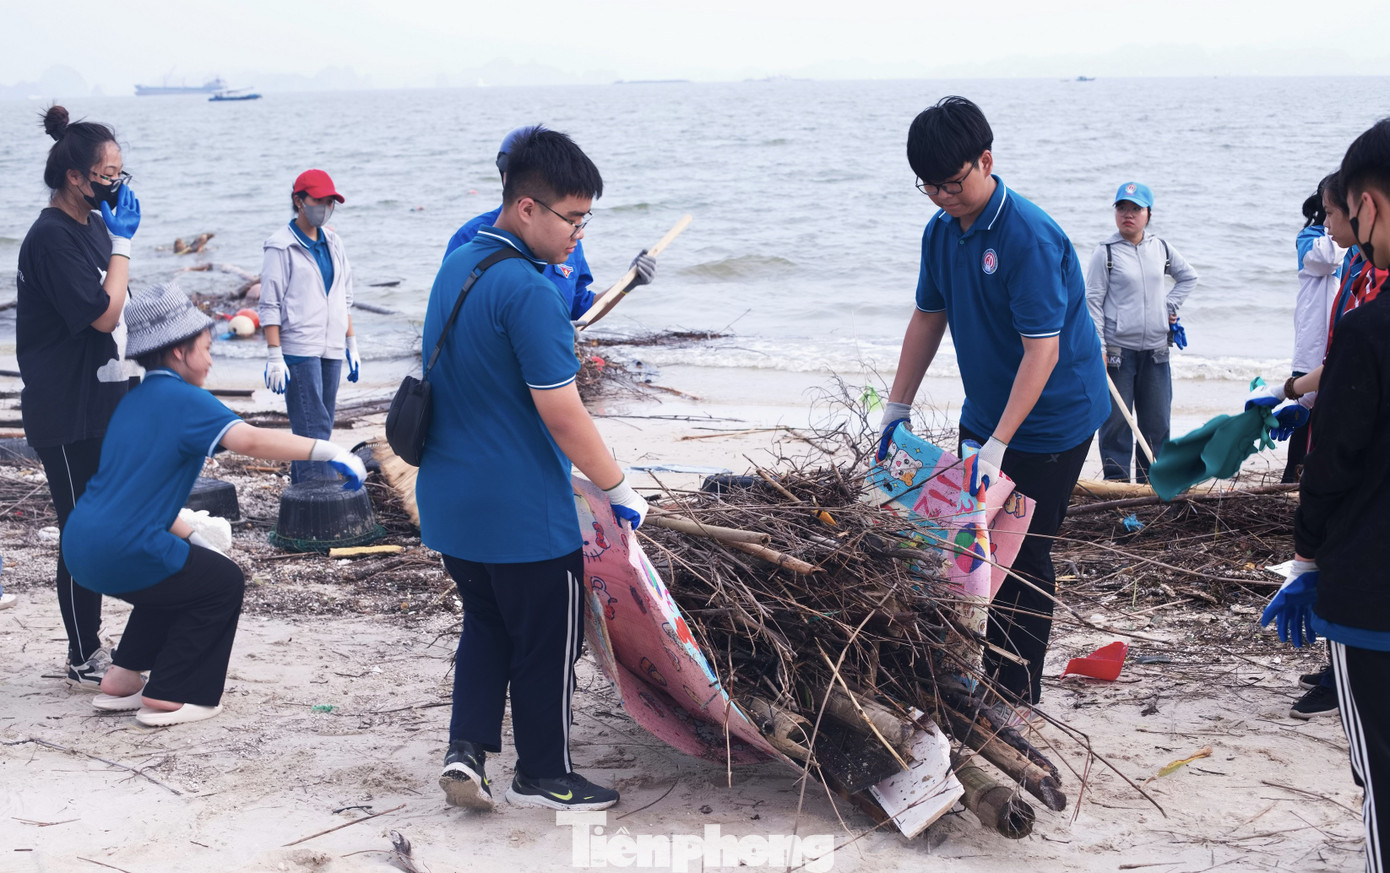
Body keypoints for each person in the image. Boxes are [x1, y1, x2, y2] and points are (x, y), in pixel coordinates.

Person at [418, 127, 648, 811]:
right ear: (526, 208)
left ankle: (467, 752)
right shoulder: (529, 291)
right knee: (549, 640)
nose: (580, 233)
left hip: (452, 503)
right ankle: (544, 773)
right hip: (524, 513)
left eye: (586, 217)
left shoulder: (457, 264)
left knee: (486, 622)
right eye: (572, 217)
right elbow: (564, 413)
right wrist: (617, 485)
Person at [878, 96, 1109, 708]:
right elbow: (928, 317)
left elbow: (1043, 353)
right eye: (928, 187)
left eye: (953, 182)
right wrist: (896, 407)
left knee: (1024, 552)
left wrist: (1000, 445)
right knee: (966, 544)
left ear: (985, 160)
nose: (942, 196)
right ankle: (966, 670)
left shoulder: (1026, 235)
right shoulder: (940, 232)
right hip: (985, 415)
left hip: (1052, 420)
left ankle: (1016, 693)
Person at [63, 282, 367, 727]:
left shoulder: (134, 400)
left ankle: (122, 677)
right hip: (123, 547)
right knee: (222, 583)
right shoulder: (185, 400)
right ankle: (175, 691)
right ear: (180, 352)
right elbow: (251, 439)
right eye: (206, 348)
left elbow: (140, 495)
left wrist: (196, 537)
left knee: (181, 575)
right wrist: (329, 450)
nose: (211, 359)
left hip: (81, 547)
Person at [1260, 117, 1390, 872]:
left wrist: (1305, 561)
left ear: (1366, 207)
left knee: (1381, 777)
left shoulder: (1371, 330)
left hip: (1372, 597)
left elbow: (1332, 468)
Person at [17, 105, 143, 688]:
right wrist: (122, 246)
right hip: (64, 411)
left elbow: (123, 312)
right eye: (108, 174)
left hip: (104, 400)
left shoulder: (93, 226)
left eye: (120, 172)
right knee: (78, 529)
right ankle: (81, 650)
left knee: (108, 519)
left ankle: (112, 635)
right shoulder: (51, 238)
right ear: (76, 176)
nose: (115, 183)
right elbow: (101, 313)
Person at [444, 125, 656, 322]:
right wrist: (545, 339)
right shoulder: (472, 239)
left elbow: (580, 309)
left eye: (577, 221)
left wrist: (627, 284)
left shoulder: (567, 236)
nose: (578, 232)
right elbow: (459, 321)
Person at [1085, 182, 1199, 483]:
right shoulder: (1105, 253)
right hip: (1118, 354)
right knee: (1117, 426)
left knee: (1157, 424)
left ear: (1148, 213)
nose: (1128, 215)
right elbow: (1092, 301)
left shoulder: (1160, 248)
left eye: (1136, 208)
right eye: (1122, 208)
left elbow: (1188, 276)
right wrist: (1099, 344)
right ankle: (1119, 487)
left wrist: (1168, 305)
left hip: (1157, 352)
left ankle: (1153, 486)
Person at [259, 169, 359, 483]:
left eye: (330, 201)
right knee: (310, 427)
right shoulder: (281, 246)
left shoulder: (334, 242)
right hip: (300, 347)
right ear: (298, 201)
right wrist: (275, 355)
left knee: (322, 424)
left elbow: (345, 296)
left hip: (331, 345)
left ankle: (304, 491)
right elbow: (270, 304)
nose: (324, 206)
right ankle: (316, 491)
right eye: (318, 199)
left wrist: (351, 344)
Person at [1283, 175, 1346, 483]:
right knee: (1305, 421)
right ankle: (1290, 483)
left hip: (1340, 343)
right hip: (1311, 348)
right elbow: (1326, 258)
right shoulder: (1310, 237)